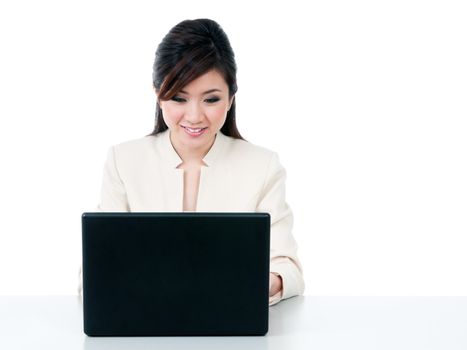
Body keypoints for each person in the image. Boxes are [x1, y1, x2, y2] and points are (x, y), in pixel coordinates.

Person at [78, 18, 304, 306]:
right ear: (158, 97)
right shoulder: (123, 161)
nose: (195, 116)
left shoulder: (263, 165)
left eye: (211, 99)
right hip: (142, 322)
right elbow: (94, 273)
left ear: (231, 98)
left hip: (228, 322)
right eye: (179, 98)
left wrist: (265, 281)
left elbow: (288, 268)